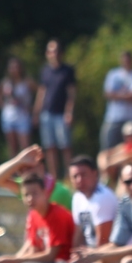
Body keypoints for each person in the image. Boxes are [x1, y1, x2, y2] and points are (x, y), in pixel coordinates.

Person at [33, 39, 76, 179]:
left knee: (65, 147)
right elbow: (41, 92)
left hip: (61, 114)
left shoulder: (67, 70)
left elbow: (71, 94)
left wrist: (69, 112)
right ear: (47, 53)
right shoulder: (45, 70)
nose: (54, 54)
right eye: (51, 51)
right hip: (47, 114)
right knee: (49, 147)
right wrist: (36, 112)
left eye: (56, 51)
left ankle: (70, 176)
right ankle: (54, 178)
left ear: (61, 53)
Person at [0, 144, 72, 211]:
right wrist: (18, 161)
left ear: (41, 167)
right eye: (21, 170)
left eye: (29, 168)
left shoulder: (60, 191)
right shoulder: (26, 187)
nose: (25, 173)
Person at [101, 51, 132, 150]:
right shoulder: (113, 74)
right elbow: (108, 94)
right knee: (109, 147)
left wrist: (117, 95)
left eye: (128, 60)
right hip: (113, 117)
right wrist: (126, 95)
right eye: (124, 60)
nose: (126, 62)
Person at [0, 56, 34, 158]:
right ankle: (14, 167)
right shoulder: (5, 82)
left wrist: (33, 109)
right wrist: (3, 107)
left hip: (23, 116)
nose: (14, 70)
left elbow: (40, 91)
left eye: (16, 67)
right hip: (9, 117)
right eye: (12, 67)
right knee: (12, 147)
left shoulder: (27, 81)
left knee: (25, 147)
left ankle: (28, 167)